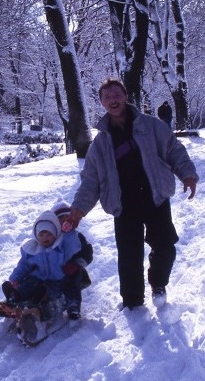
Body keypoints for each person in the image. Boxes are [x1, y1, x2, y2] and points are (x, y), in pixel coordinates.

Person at [68, 78, 198, 311]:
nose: (112, 100)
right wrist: (78, 210)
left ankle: (158, 283)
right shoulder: (100, 143)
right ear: (102, 103)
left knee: (165, 245)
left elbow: (173, 149)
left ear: (125, 96)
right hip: (123, 204)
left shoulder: (152, 126)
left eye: (116, 94)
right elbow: (91, 180)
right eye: (107, 97)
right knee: (128, 256)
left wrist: (187, 174)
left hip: (155, 197)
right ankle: (132, 300)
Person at [2, 210, 82, 328]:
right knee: (29, 283)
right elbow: (23, 265)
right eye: (41, 234)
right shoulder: (33, 249)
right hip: (37, 279)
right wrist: (15, 279)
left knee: (49, 290)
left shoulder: (61, 247)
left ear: (56, 233)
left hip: (57, 281)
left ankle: (38, 302)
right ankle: (15, 296)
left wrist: (69, 232)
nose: (45, 237)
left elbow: (74, 246)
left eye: (49, 234)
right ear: (36, 235)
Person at [52, 202, 94, 320]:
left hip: (72, 270)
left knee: (72, 283)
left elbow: (87, 253)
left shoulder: (77, 236)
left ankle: (73, 305)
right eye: (60, 218)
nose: (65, 220)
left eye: (67, 217)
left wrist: (76, 264)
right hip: (54, 269)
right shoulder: (50, 237)